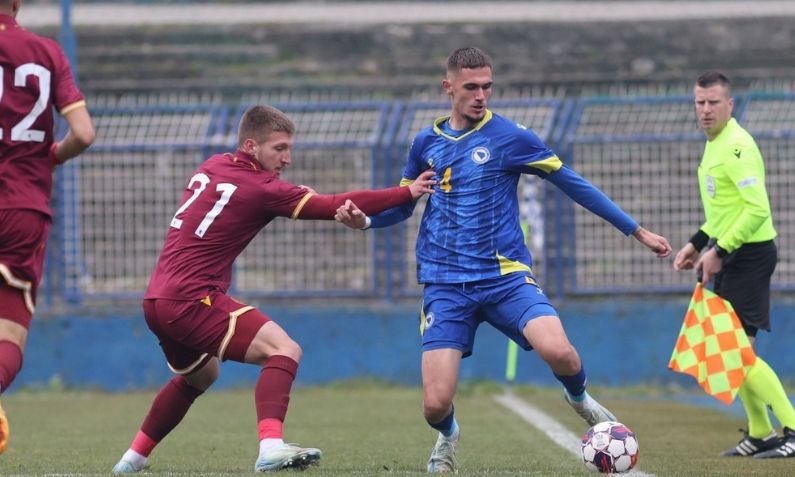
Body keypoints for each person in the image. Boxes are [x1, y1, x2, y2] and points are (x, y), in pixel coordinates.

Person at [334, 46, 672, 473]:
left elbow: (573, 183)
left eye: (487, 87)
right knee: (434, 404)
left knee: (560, 352)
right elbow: (404, 205)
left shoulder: (511, 137)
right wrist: (366, 221)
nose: (481, 95)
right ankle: (448, 435)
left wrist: (636, 230)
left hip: (504, 277)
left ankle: (580, 398)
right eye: (471, 87)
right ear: (448, 87)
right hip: (445, 284)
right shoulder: (425, 143)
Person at [110, 104, 435, 474]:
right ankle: (270, 447)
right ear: (251, 146)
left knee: (201, 375)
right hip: (191, 299)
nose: (287, 158)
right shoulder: (262, 188)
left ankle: (131, 460)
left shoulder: (213, 165)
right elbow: (330, 204)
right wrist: (407, 192)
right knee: (284, 350)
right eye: (279, 148)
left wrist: (294, 192)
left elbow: (256, 196)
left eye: (289, 149)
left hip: (156, 299)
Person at [673, 71, 795, 459]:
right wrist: (698, 243)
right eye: (700, 102)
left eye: (714, 102)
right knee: (733, 351)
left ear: (730, 104)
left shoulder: (737, 146)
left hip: (750, 257)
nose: (706, 110)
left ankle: (792, 426)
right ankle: (761, 433)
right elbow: (726, 211)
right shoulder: (715, 144)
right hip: (731, 255)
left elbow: (757, 210)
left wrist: (719, 251)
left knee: (738, 352)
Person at [0, 0, 96, 455]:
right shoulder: (46, 52)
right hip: (22, 204)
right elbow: (83, 133)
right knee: (9, 334)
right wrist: (50, 157)